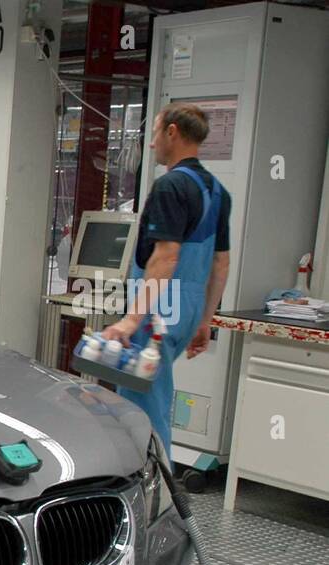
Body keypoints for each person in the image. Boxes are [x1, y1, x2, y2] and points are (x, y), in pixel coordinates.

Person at [102, 103, 231, 452]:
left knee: (141, 411)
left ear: (172, 132)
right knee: (153, 395)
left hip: (159, 307)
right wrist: (205, 321)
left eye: (155, 132)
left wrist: (131, 320)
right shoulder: (217, 191)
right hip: (187, 307)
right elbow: (220, 262)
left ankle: (154, 493)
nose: (152, 143)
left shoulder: (170, 186)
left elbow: (166, 256)